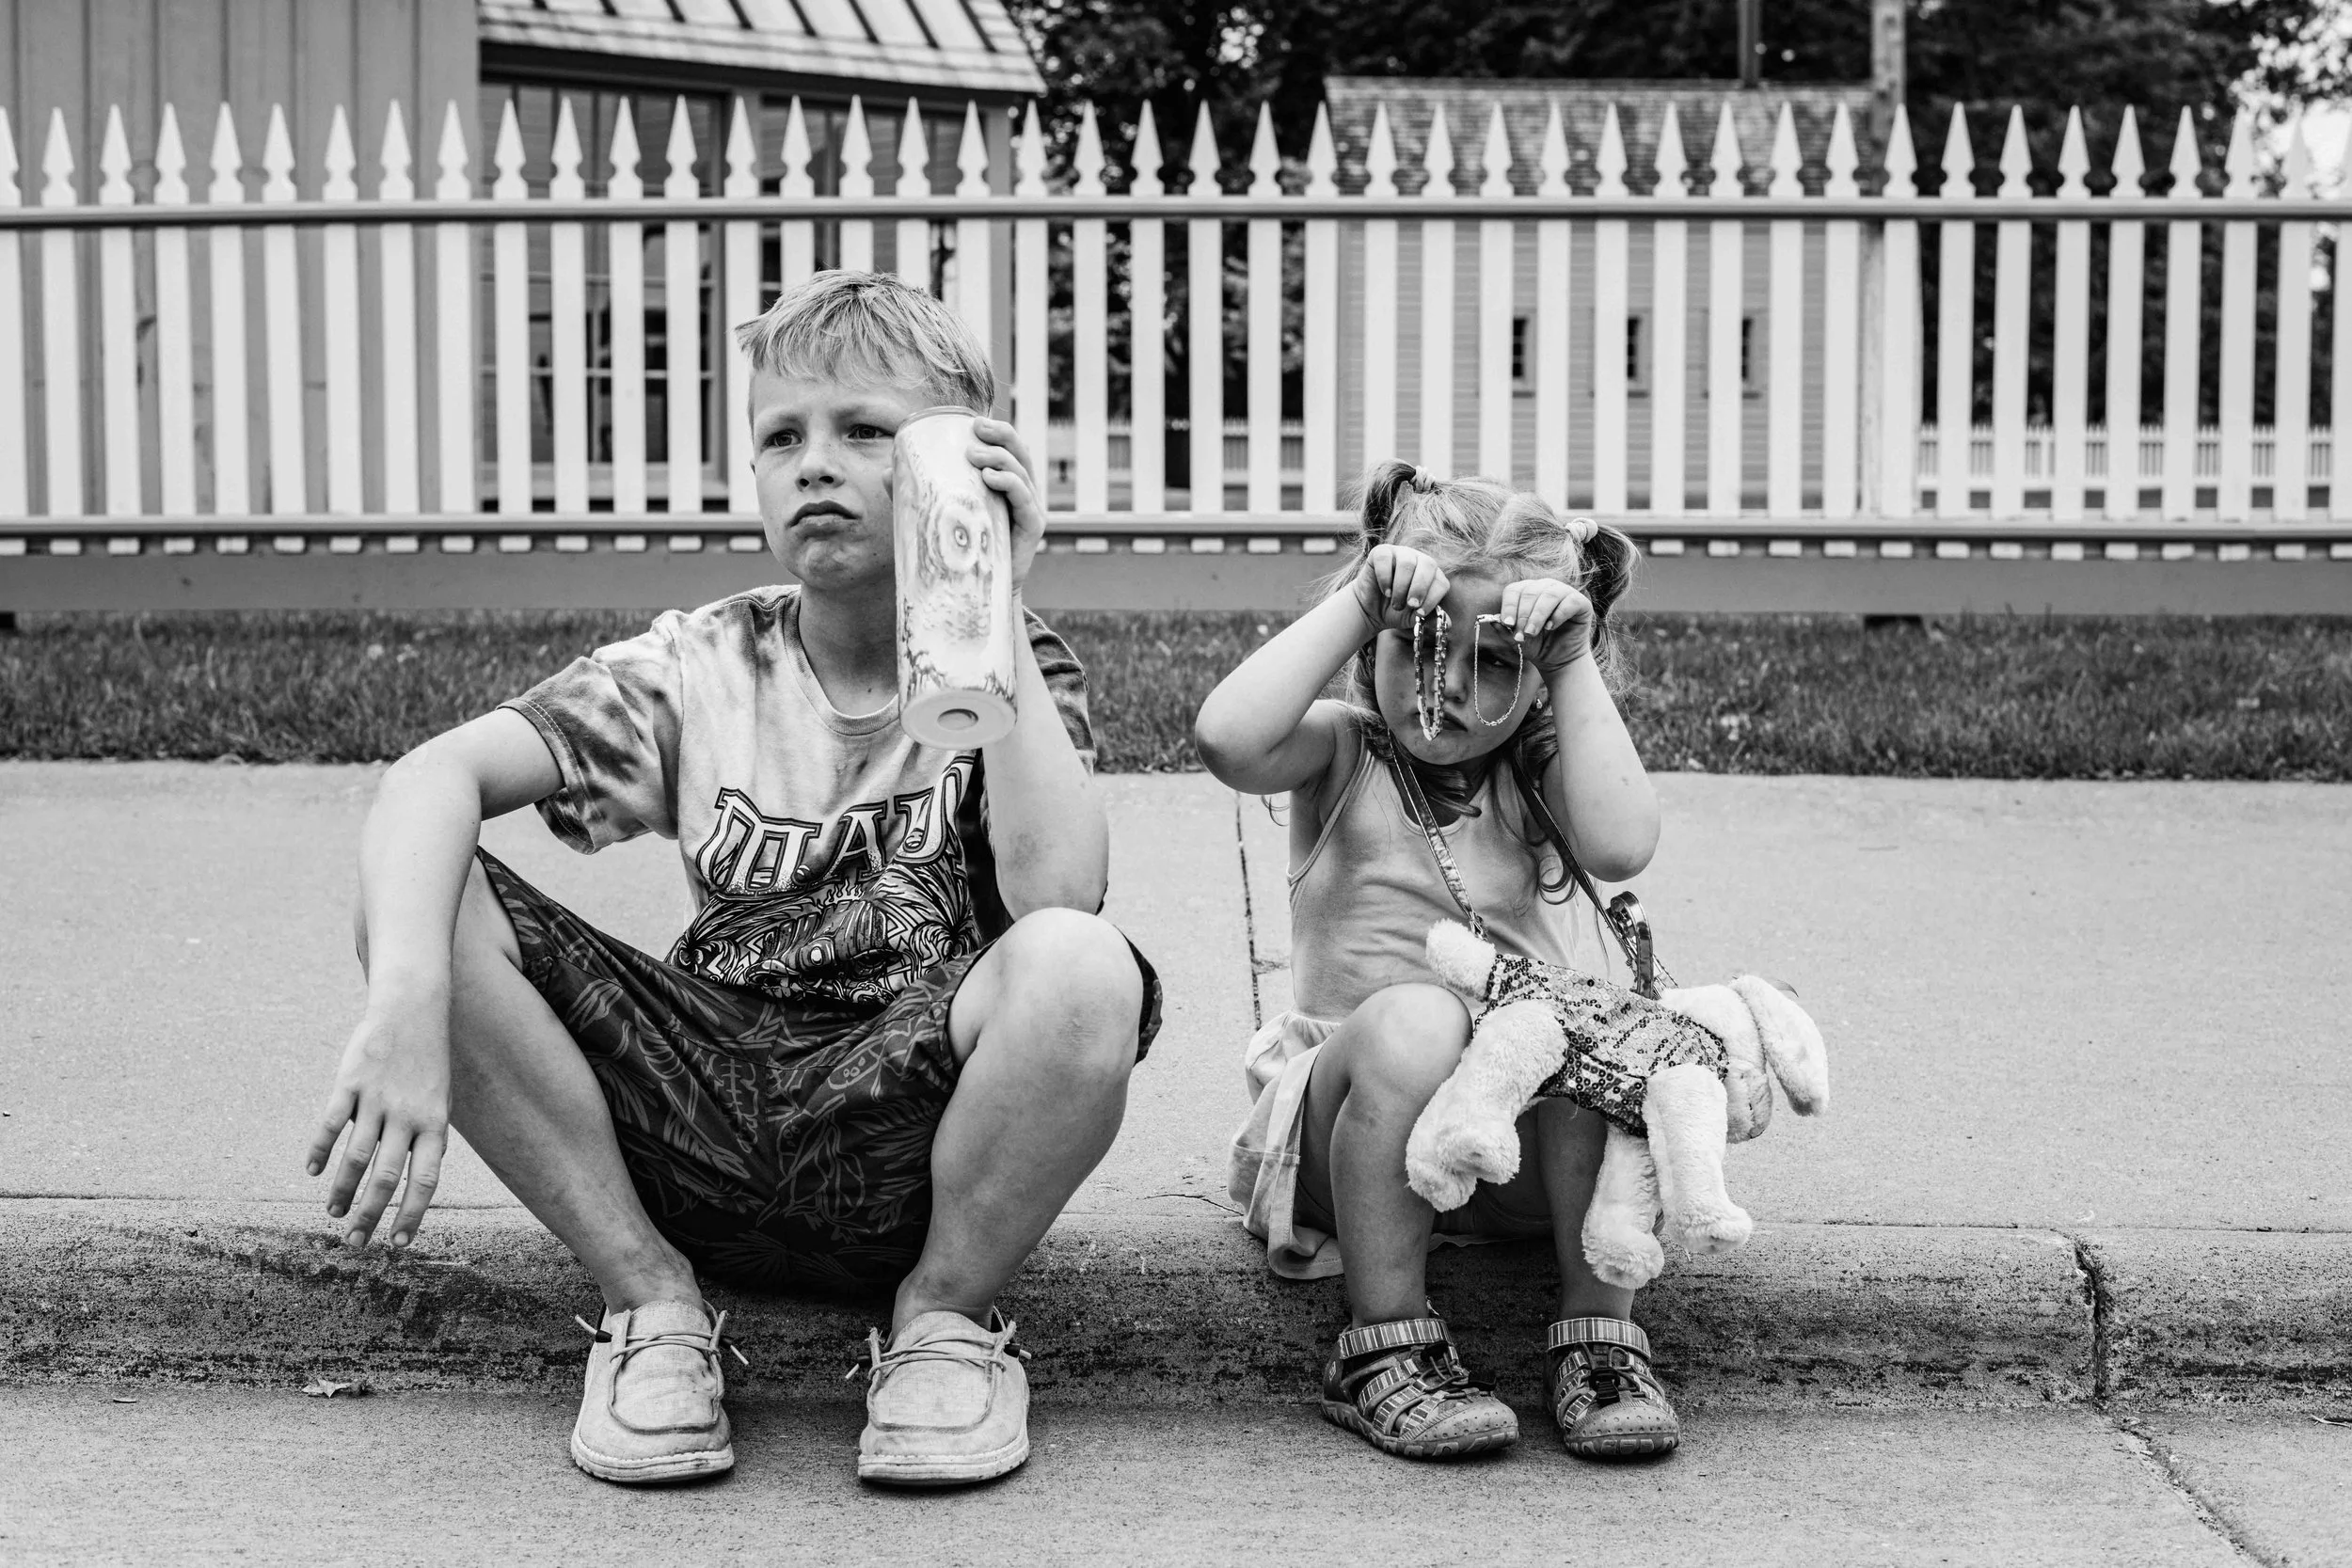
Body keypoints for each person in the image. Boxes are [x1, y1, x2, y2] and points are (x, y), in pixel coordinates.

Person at [310, 271, 1160, 1489]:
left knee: (1084, 964)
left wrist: (995, 607)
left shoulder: (1009, 675)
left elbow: (1060, 897)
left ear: (966, 459)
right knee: (423, 892)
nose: (816, 460)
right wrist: (405, 1003)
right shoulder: (700, 664)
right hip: (699, 1104)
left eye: (866, 430)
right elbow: (432, 773)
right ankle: (651, 1306)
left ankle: (942, 1322)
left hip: (913, 1134)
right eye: (781, 434)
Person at [1197, 460, 1673, 1462]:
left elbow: (1625, 845)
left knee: (1592, 1032)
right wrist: (1362, 592)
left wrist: (1575, 658)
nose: (1447, 685)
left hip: (1503, 1147)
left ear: (1539, 678)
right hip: (1345, 1138)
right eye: (1416, 641)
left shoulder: (1535, 776)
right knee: (1423, 1019)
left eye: (1498, 660)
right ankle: (1382, 1344)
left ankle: (1598, 1338)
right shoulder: (1343, 750)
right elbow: (1228, 739)